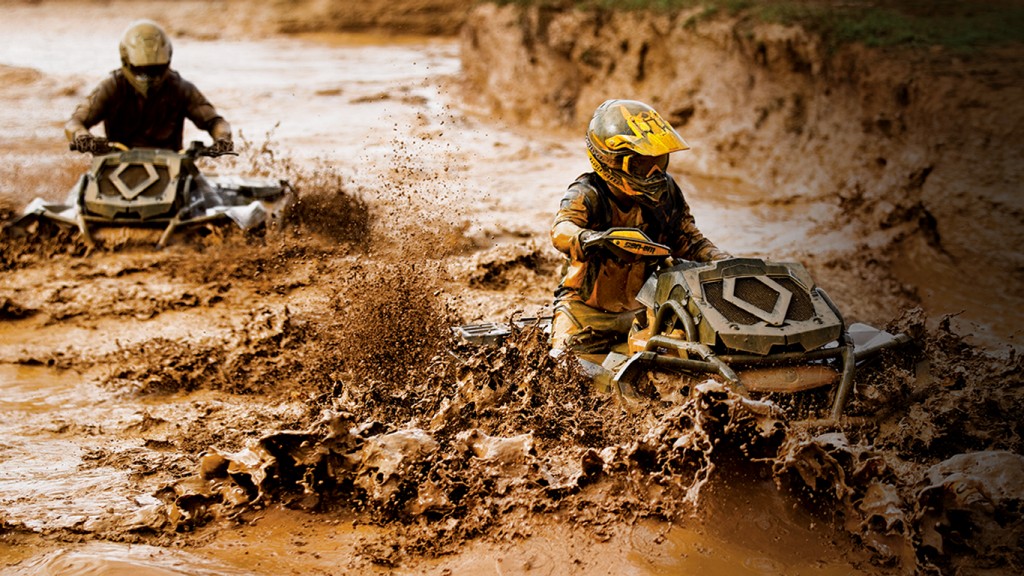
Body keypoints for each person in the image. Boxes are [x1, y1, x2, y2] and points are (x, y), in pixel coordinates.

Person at [550, 99, 731, 353]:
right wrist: (593, 238)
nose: (654, 172)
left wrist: (724, 262)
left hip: (643, 315)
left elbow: (689, 240)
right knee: (560, 367)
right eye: (643, 164)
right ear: (611, 161)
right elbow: (562, 229)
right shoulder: (588, 193)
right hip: (585, 316)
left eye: (660, 161)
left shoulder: (667, 194)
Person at [64, 19, 233, 155]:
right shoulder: (111, 87)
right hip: (116, 166)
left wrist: (222, 140)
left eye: (155, 70)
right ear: (126, 61)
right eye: (141, 70)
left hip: (172, 169)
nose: (149, 77)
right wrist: (83, 137)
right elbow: (75, 122)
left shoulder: (181, 88)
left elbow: (215, 121)